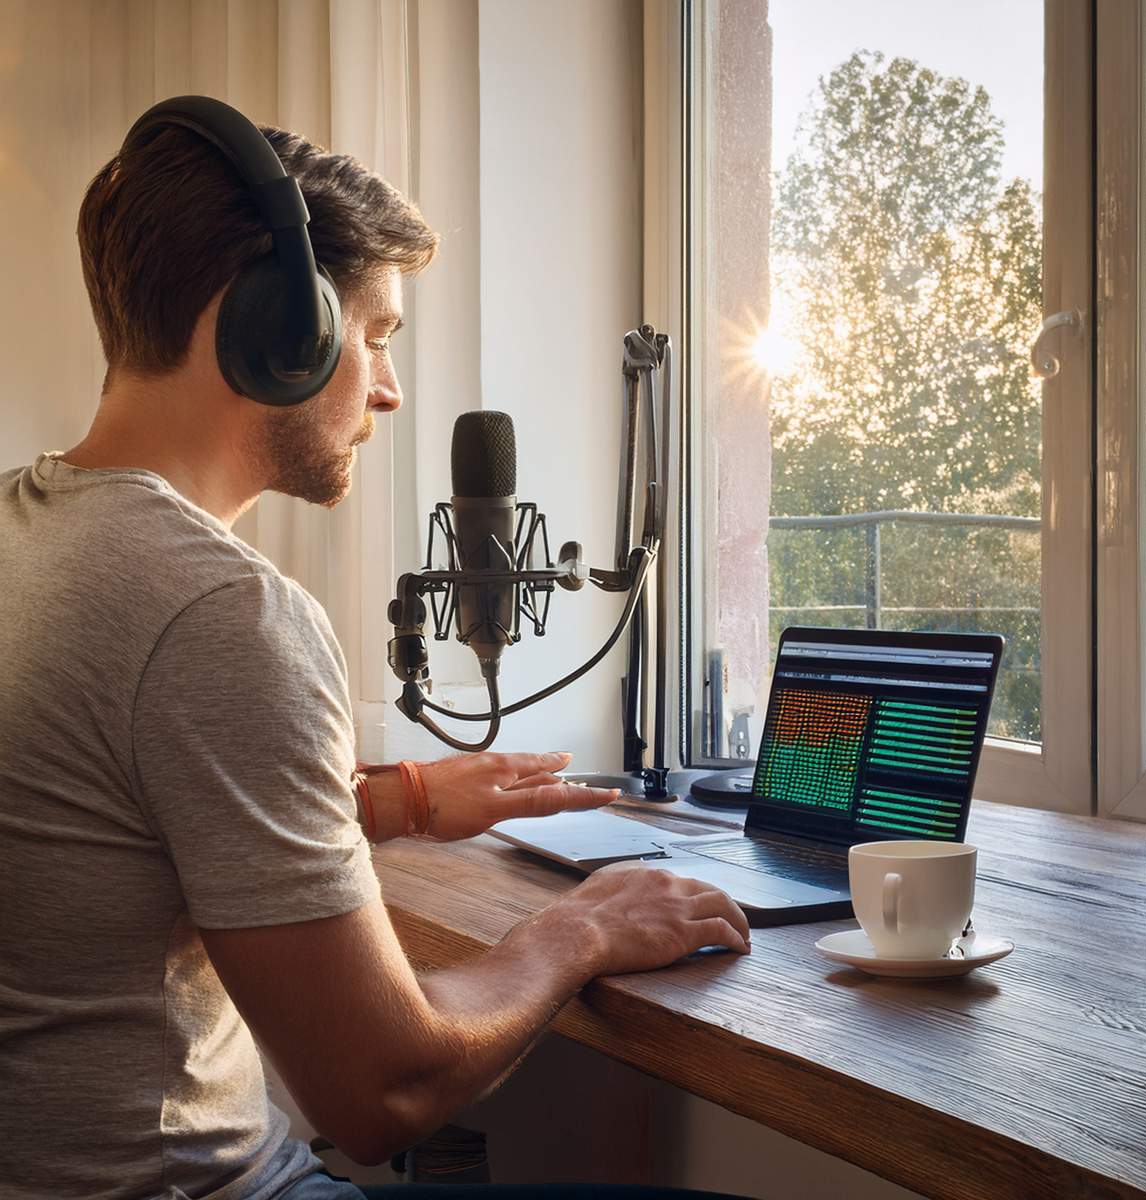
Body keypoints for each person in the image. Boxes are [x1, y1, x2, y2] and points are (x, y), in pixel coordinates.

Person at [0, 107, 752, 1200]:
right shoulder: (220, 613)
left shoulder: (29, 533)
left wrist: (392, 798)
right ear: (277, 327)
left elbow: (96, 821)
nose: (389, 391)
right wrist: (577, 931)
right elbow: (382, 1094)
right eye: (378, 336)